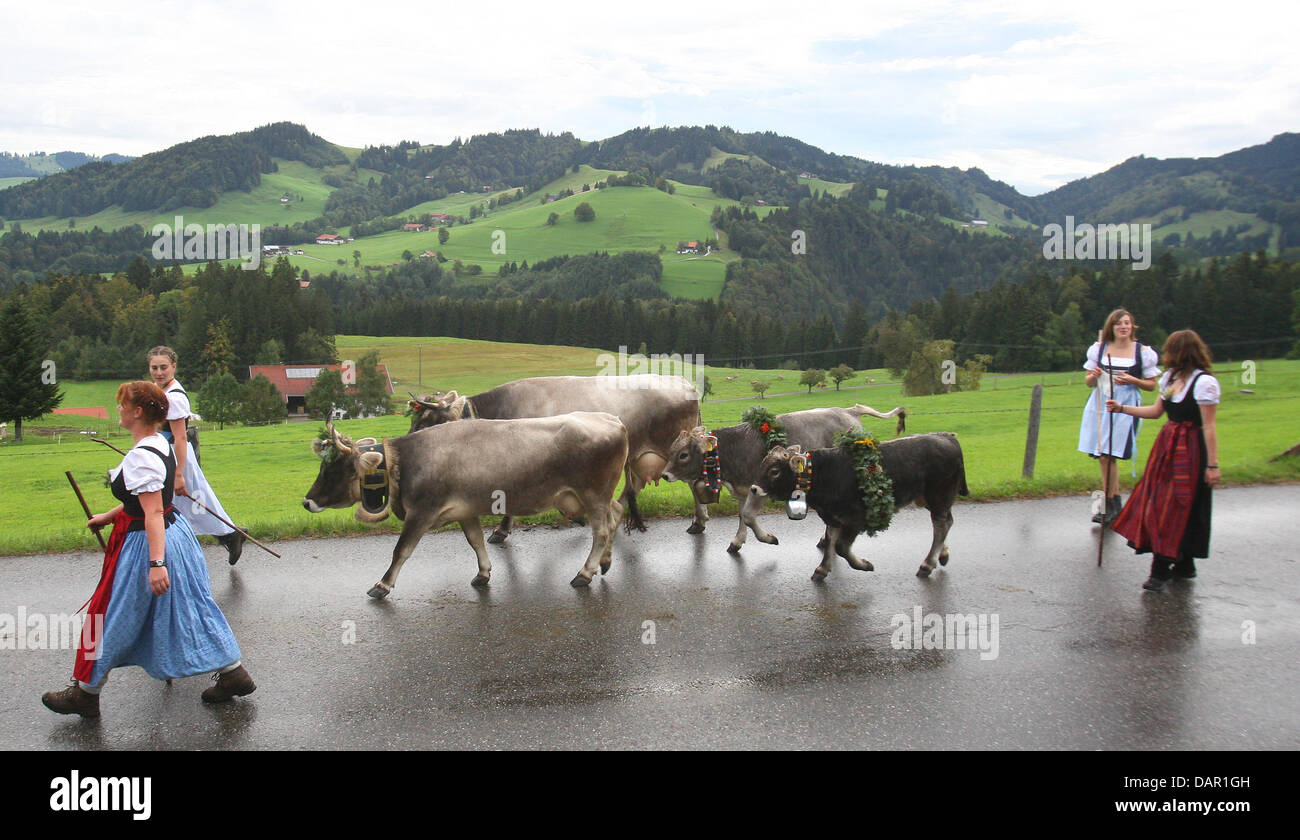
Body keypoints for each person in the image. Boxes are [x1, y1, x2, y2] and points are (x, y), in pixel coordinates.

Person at [42, 381, 255, 717]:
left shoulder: (143, 455)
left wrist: (157, 563)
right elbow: (148, 502)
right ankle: (234, 674)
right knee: (191, 607)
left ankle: (86, 693)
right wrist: (111, 516)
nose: (118, 409)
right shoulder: (158, 442)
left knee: (112, 615)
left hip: (150, 544)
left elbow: (153, 510)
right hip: (174, 536)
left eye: (122, 404)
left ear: (137, 411)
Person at [1107, 330, 1221, 592]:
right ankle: (1184, 564)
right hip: (1167, 447)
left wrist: (1212, 465)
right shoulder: (1170, 379)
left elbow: (1209, 427)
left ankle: (1161, 570)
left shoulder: (1204, 383)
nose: (1167, 355)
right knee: (1161, 502)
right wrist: (1122, 408)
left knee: (1177, 505)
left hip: (1191, 450)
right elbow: (1157, 412)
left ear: (1181, 352)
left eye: (1170, 350)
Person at [146, 346, 246, 564]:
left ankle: (226, 535)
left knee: (191, 503)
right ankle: (227, 535)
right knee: (192, 502)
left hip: (175, 456)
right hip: (161, 454)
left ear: (174, 366)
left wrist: (179, 472)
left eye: (164, 367)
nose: (159, 372)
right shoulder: (157, 390)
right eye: (154, 368)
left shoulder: (174, 397)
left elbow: (180, 437)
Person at [1078, 309, 1159, 524]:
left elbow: (1152, 385)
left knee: (1110, 454)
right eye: (1118, 324)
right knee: (1102, 455)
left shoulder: (1142, 352)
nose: (1123, 327)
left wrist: (1133, 381)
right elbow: (1088, 382)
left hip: (1125, 405)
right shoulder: (1100, 349)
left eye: (1127, 323)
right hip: (1100, 402)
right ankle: (1111, 504)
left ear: (1132, 327)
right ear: (1111, 327)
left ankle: (1112, 504)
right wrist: (1093, 376)